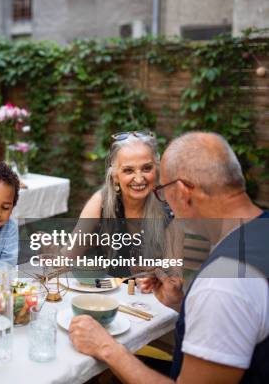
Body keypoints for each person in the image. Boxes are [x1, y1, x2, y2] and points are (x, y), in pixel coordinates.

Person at [69, 132, 269, 384]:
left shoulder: (223, 284)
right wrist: (178, 302)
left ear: (183, 192)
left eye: (162, 189)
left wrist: (106, 347)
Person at [73, 131, 175, 276]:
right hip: (104, 295)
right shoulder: (101, 202)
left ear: (157, 170)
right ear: (115, 176)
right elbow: (69, 255)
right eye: (128, 170)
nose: (139, 179)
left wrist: (156, 275)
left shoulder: (170, 208)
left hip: (152, 296)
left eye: (147, 168)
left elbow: (174, 274)